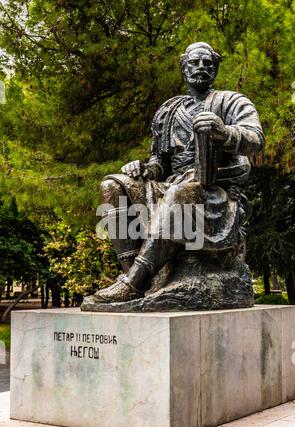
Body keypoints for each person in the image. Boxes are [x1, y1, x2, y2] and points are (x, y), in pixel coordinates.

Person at [94, 42, 264, 303]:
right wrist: (144, 168)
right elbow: (160, 162)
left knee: (180, 194)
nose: (200, 68)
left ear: (215, 69)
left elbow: (255, 139)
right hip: (171, 183)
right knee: (112, 185)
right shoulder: (167, 111)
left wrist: (224, 132)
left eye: (207, 63)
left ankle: (135, 281)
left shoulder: (231, 101)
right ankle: (134, 278)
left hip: (214, 190)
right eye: (194, 63)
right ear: (184, 69)